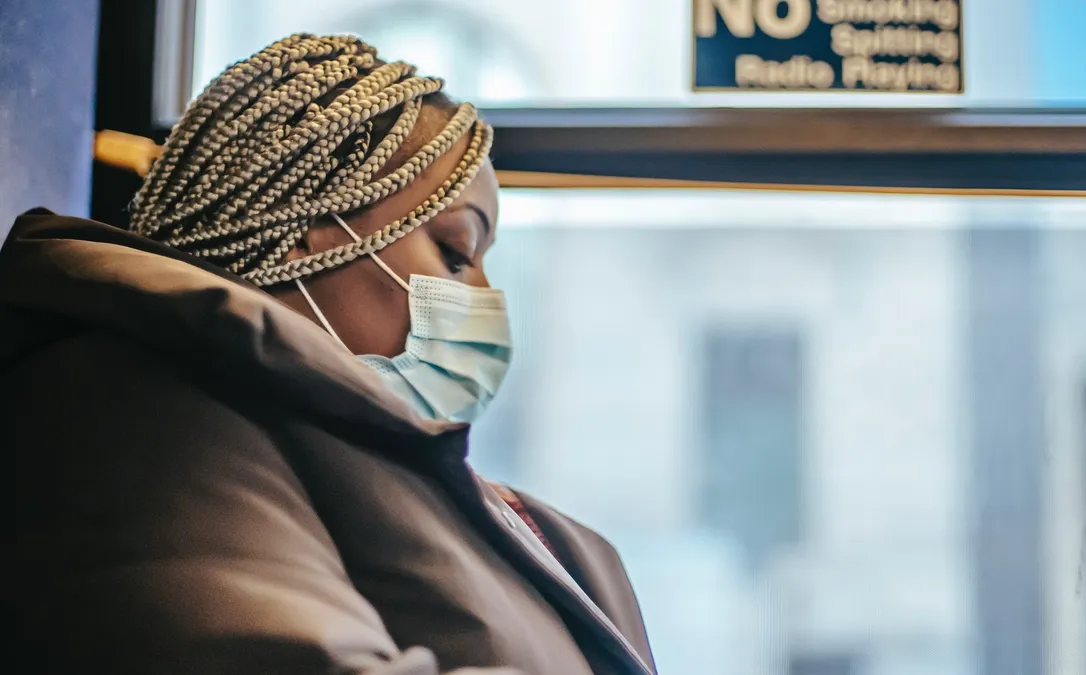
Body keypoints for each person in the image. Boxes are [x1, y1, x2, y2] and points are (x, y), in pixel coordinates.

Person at [0, 34, 656, 675]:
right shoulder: (134, 410)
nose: (483, 295)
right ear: (307, 225)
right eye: (455, 252)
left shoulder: (474, 499)